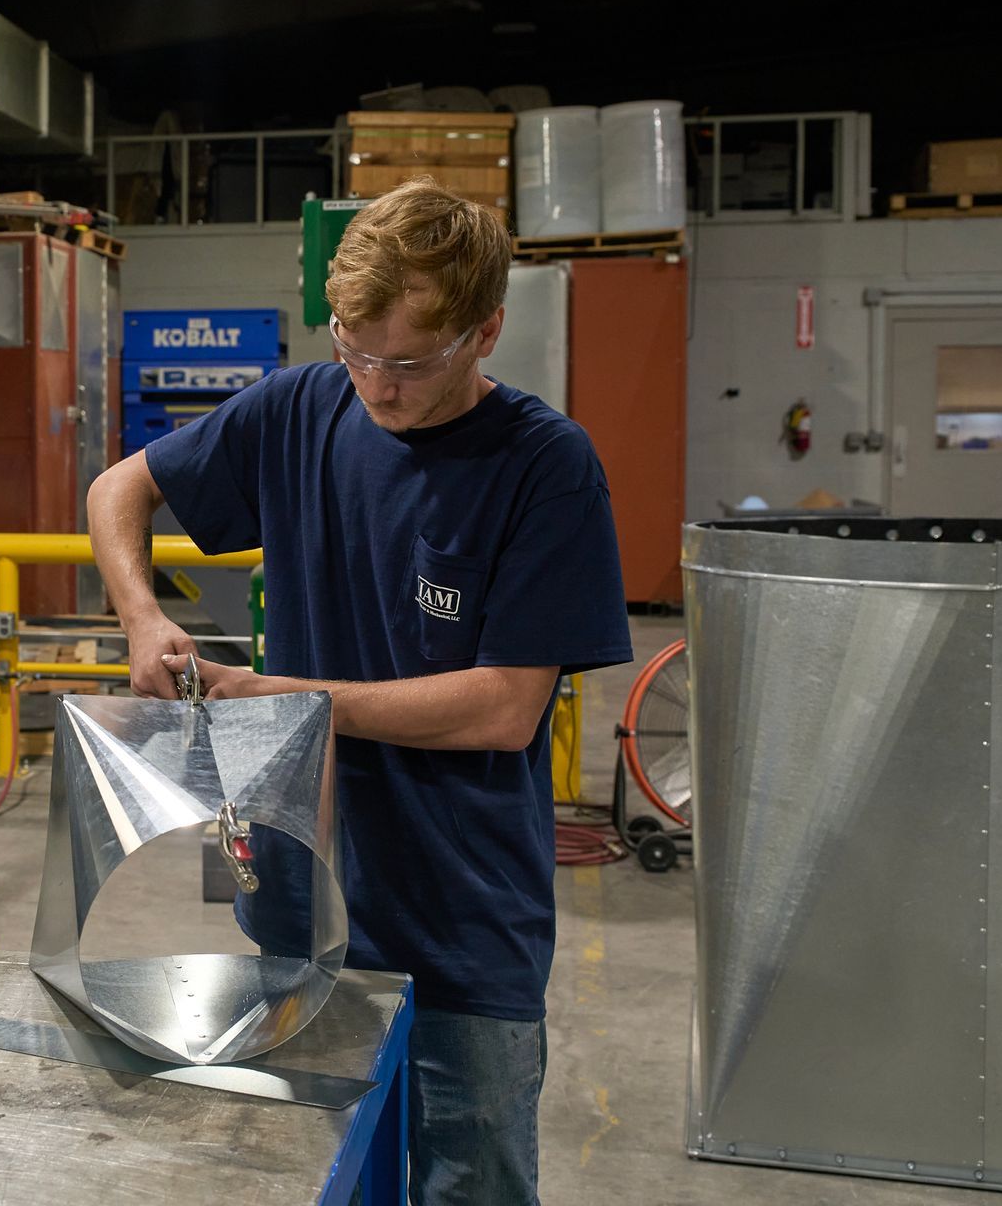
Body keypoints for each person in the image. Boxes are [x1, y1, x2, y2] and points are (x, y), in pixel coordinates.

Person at [85, 178, 632, 1205]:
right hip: (299, 904)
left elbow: (503, 706)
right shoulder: (301, 405)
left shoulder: (543, 466)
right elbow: (119, 488)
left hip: (461, 915)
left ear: (485, 332)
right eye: (354, 346)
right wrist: (142, 617)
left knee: (473, 1181)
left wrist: (282, 692)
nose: (376, 383)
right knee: (317, 1178)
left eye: (409, 361)